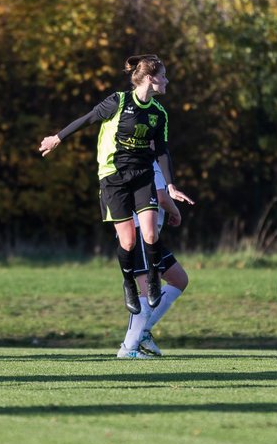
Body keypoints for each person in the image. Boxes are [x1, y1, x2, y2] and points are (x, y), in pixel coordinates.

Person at [40, 54, 191, 323]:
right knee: (129, 241)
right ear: (149, 78)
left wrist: (170, 185)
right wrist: (57, 138)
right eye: (164, 76)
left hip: (142, 175)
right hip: (113, 177)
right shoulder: (118, 102)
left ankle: (154, 277)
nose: (167, 81)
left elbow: (163, 152)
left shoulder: (159, 113)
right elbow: (87, 119)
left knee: (150, 233)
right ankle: (129, 285)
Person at [117, 160, 194, 358]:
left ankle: (143, 330)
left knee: (179, 279)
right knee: (148, 289)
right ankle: (129, 348)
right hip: (140, 234)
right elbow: (160, 197)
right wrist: (175, 211)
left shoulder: (154, 163)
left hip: (151, 238)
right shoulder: (148, 162)